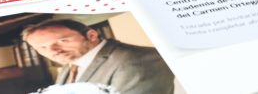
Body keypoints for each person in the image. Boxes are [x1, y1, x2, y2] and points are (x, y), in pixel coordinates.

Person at [21, 20, 175, 94]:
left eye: (62, 41)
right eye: (42, 48)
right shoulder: (71, 65)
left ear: (92, 35)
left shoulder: (137, 60)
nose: (53, 51)